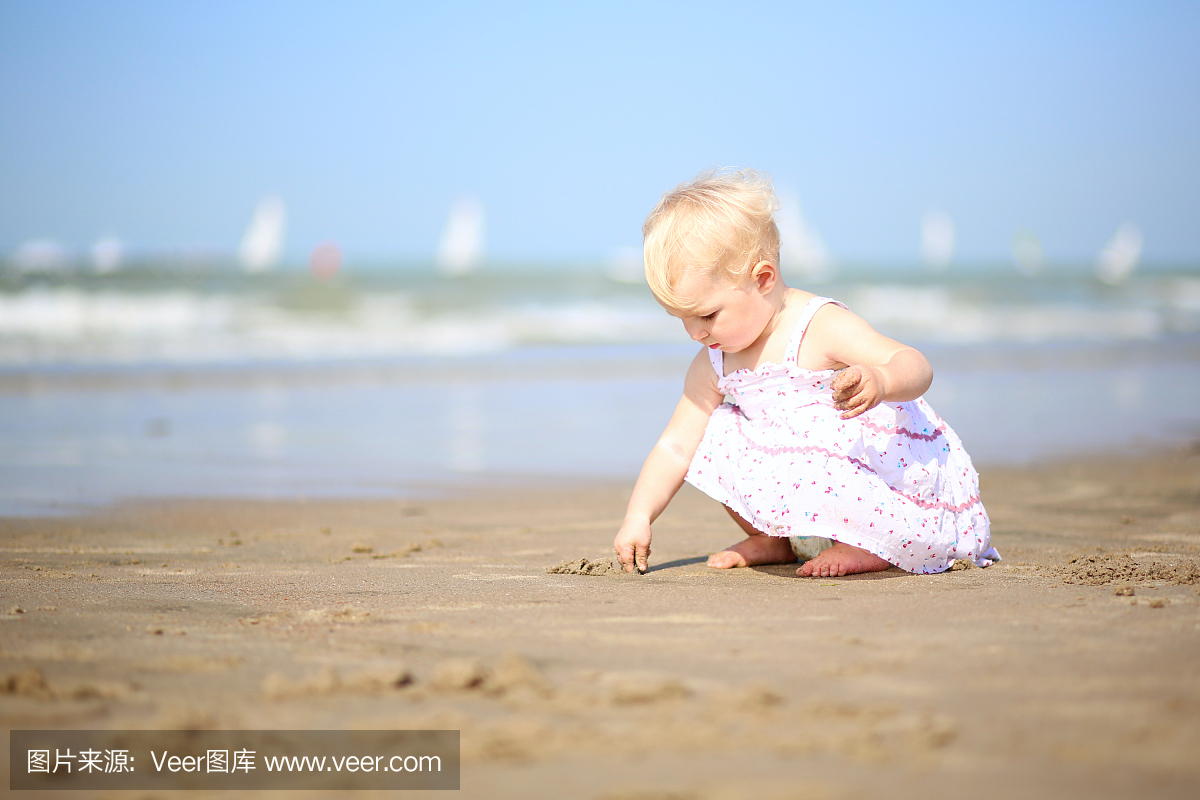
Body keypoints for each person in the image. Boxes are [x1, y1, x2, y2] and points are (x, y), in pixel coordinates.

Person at [613, 169, 997, 577]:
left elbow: (915, 364)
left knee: (822, 427)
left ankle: (868, 545)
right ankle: (773, 539)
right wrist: (639, 515)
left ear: (763, 279)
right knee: (711, 429)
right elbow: (675, 446)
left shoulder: (818, 326)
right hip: (804, 490)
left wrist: (881, 380)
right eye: (681, 318)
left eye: (706, 314)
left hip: (872, 485)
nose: (694, 333)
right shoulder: (714, 361)